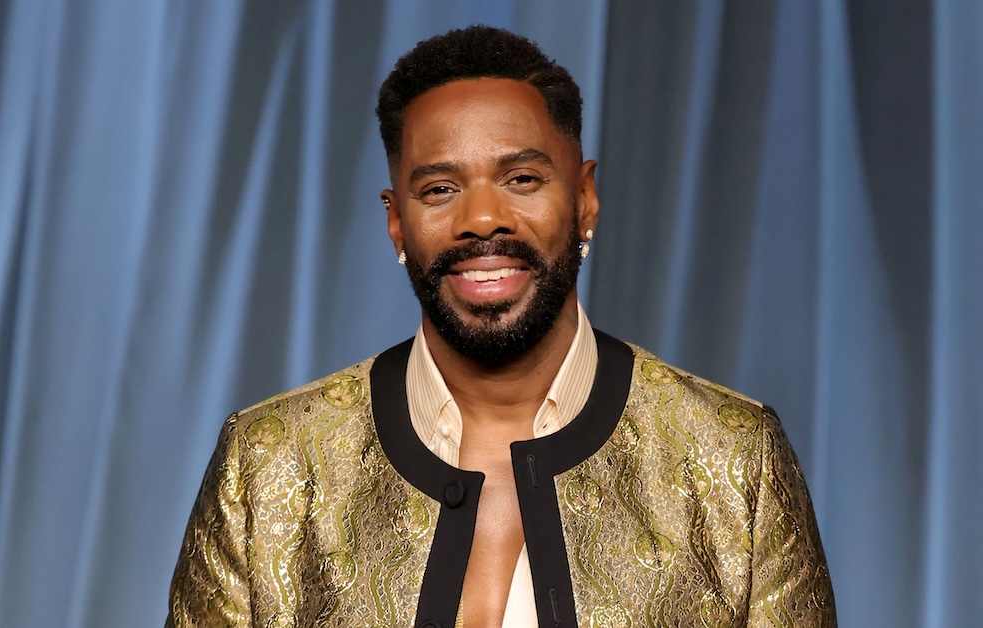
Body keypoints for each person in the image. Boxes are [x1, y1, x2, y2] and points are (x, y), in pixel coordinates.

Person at [167, 25, 835, 628]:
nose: (484, 218)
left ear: (585, 199)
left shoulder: (733, 458)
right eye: (439, 190)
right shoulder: (267, 464)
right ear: (396, 220)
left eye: (520, 178)